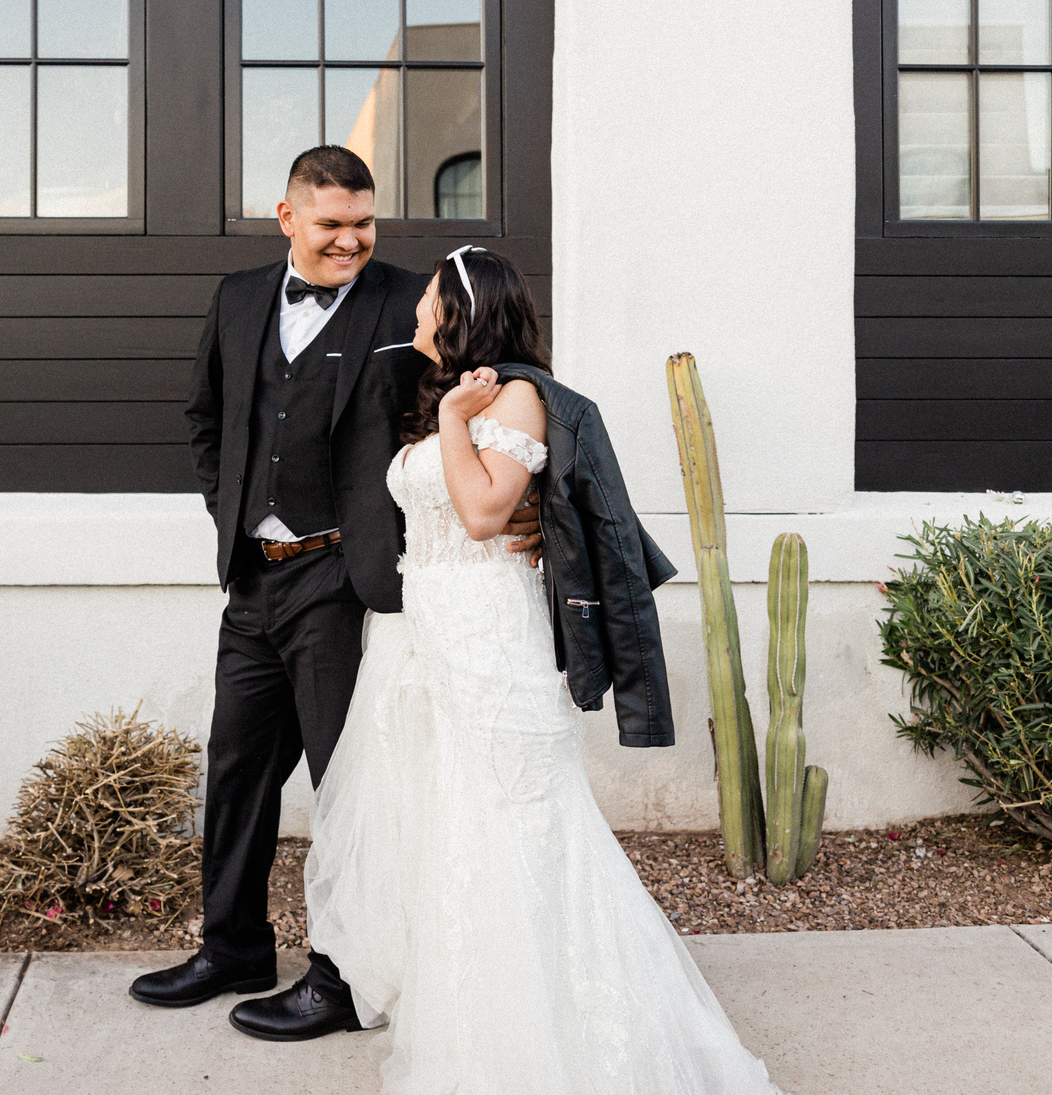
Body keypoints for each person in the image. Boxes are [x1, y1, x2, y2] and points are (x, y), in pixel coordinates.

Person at [303, 246, 786, 1092]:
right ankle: (476, 1023)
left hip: (490, 634)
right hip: (431, 634)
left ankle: (561, 1038)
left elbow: (486, 513)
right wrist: (447, 417)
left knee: (518, 816)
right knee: (455, 818)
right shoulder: (454, 394)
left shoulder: (513, 395)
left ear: (462, 310)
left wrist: (455, 423)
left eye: (426, 302)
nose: (414, 314)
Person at [130, 147, 540, 1040]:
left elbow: (504, 375)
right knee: (236, 768)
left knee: (349, 781)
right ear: (288, 218)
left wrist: (516, 486)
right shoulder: (239, 299)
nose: (352, 241)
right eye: (331, 225)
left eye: (364, 223)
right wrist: (231, 508)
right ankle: (231, 944)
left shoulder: (409, 300)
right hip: (253, 575)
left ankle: (344, 974)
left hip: (344, 579)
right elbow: (205, 416)